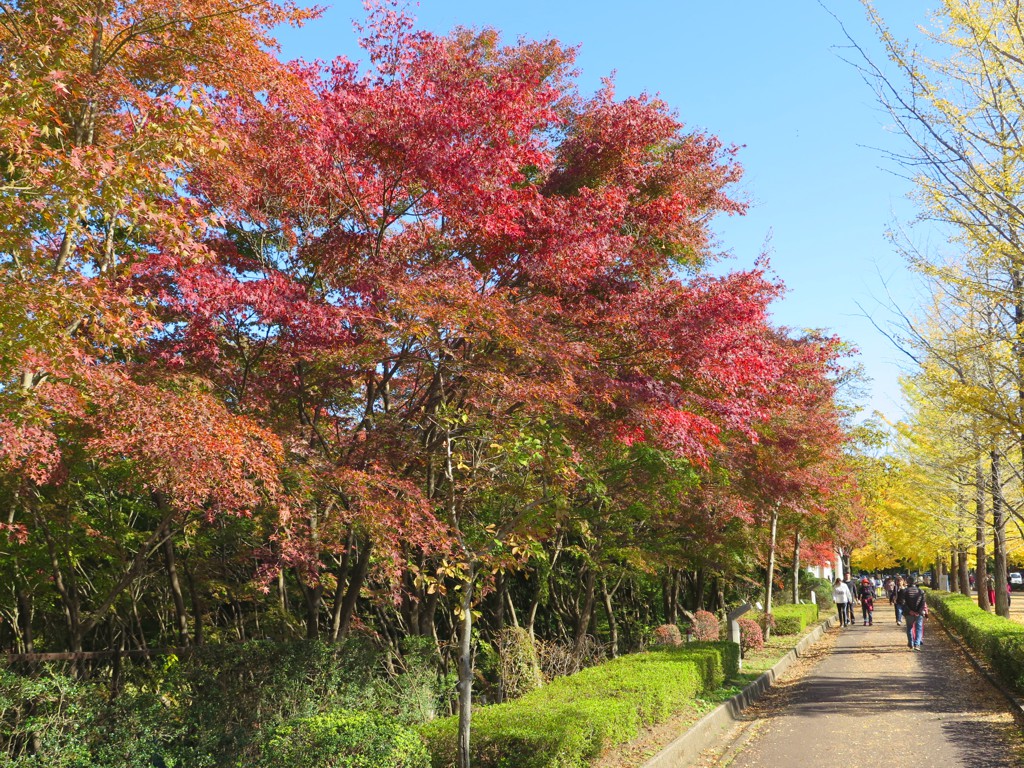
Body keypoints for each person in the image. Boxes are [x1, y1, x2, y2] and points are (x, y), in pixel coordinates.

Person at [896, 575, 927, 650]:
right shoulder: (921, 591)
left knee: (909, 628)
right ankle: (917, 644)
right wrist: (918, 612)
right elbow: (923, 603)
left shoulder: (905, 591)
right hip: (918, 613)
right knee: (918, 628)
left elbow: (903, 603)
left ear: (908, 582)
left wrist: (910, 611)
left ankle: (911, 643)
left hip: (908, 613)